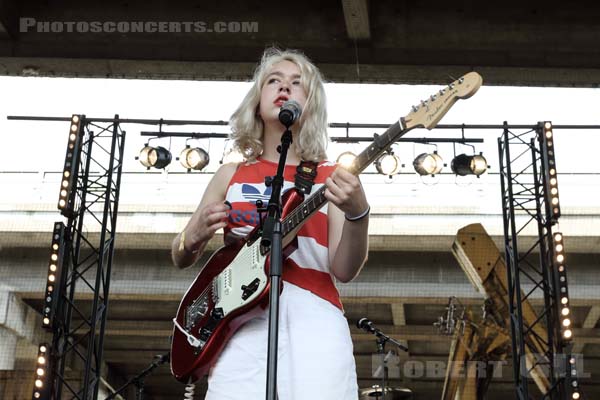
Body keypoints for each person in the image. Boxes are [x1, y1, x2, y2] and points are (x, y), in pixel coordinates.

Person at [171, 48, 370, 400]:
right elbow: (180, 254)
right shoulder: (230, 174)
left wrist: (358, 213)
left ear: (310, 104)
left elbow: (344, 269)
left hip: (315, 313)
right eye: (273, 81)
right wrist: (193, 235)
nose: (284, 87)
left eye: (297, 84)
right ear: (257, 101)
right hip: (239, 321)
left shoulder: (331, 177)